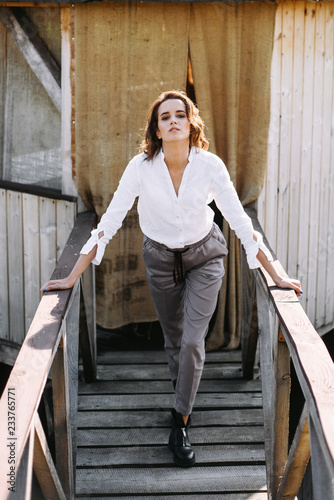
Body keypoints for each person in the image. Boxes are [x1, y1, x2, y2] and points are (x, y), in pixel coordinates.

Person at [42, 90, 302, 468]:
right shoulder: (140, 168)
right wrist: (70, 277)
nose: (174, 121)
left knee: (194, 340)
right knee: (174, 340)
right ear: (157, 129)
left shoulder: (210, 166)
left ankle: (179, 421)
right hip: (160, 259)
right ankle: (184, 398)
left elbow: (241, 225)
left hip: (205, 257)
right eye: (165, 117)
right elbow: (109, 222)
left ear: (191, 123)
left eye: (181, 114)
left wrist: (276, 273)